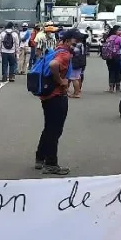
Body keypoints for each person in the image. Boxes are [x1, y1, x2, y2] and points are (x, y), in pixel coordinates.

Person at [34, 29, 83, 176]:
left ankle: (40, 158)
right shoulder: (64, 54)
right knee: (55, 130)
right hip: (57, 95)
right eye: (76, 41)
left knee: (48, 128)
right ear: (68, 40)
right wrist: (60, 81)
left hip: (47, 95)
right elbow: (54, 65)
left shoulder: (56, 49)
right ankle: (51, 163)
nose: (77, 44)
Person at [101, 25, 121, 93]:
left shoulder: (109, 37)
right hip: (117, 57)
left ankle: (111, 87)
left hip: (109, 57)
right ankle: (117, 87)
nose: (120, 31)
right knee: (118, 71)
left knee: (111, 71)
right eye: (119, 30)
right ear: (115, 31)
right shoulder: (120, 38)